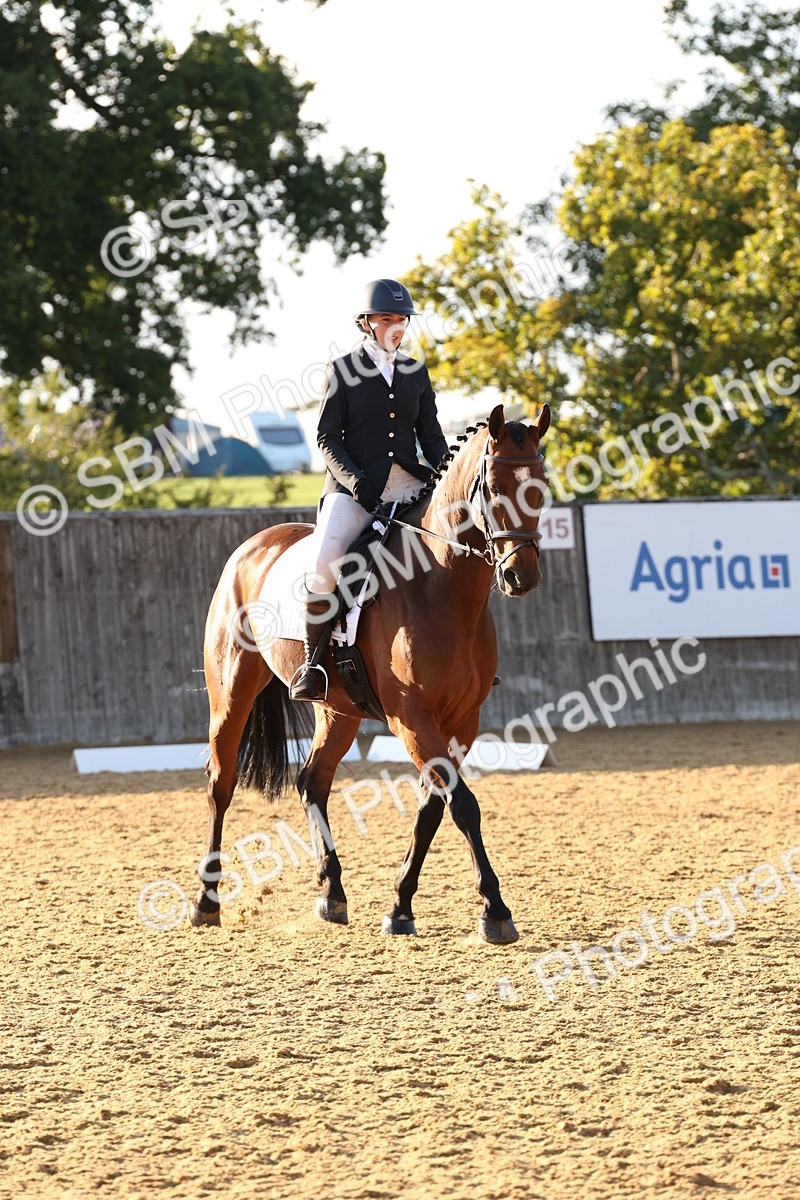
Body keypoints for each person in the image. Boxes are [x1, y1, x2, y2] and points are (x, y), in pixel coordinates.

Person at [289, 278, 449, 702]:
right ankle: (312, 663)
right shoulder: (342, 370)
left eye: (401, 319)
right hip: (353, 486)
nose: (396, 326)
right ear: (366, 323)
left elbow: (430, 437)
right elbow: (326, 438)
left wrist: (444, 471)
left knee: (457, 545)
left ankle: (465, 657)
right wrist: (355, 480)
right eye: (386, 319)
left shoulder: (416, 372)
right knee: (325, 563)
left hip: (409, 483)